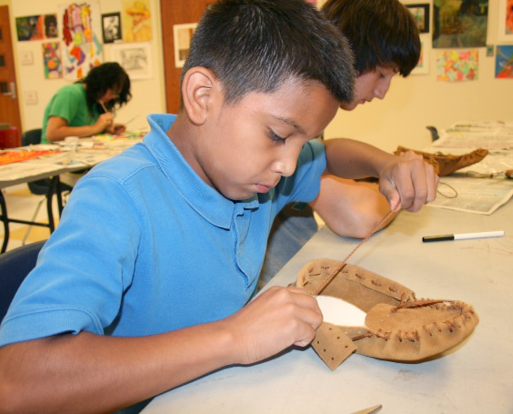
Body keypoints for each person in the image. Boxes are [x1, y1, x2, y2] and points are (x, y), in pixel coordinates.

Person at [0, 0, 437, 411]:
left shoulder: (256, 173)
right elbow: (17, 381)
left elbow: (330, 152)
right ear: (202, 96)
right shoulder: (118, 199)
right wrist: (232, 337)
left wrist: (387, 164)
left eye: (302, 141)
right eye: (278, 135)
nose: (288, 165)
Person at [259, 0, 424, 288]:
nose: (383, 92)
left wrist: (387, 165)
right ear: (351, 52)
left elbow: (327, 153)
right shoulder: (292, 109)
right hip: (273, 284)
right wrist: (397, 188)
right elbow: (358, 217)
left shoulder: (311, 108)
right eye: (383, 74)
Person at [41, 62, 132, 144]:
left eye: (117, 95)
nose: (113, 97)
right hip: (55, 152)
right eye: (113, 92)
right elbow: (53, 134)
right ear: (102, 84)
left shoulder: (96, 100)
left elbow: (86, 129)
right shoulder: (71, 93)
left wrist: (106, 129)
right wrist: (96, 128)